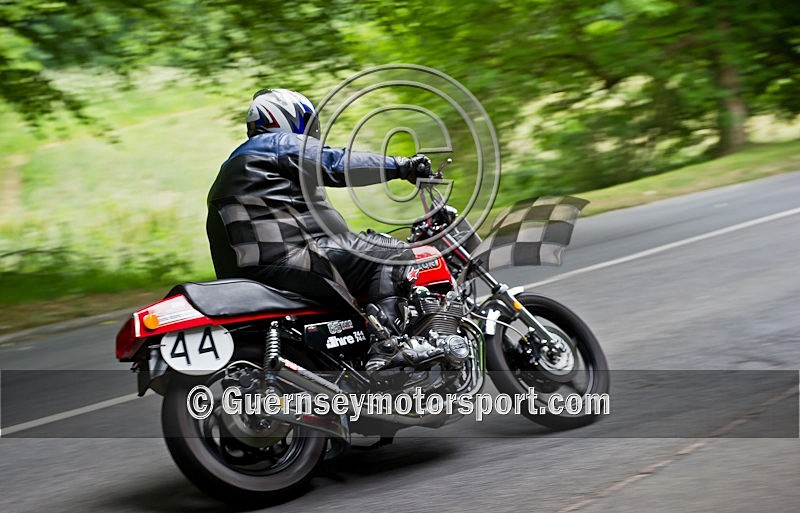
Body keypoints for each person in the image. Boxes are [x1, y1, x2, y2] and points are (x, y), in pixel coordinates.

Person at [206, 88, 441, 373]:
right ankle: (391, 347)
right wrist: (402, 166)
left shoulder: (230, 168)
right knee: (391, 251)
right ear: (287, 118)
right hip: (295, 260)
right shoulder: (278, 144)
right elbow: (337, 164)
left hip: (253, 277)